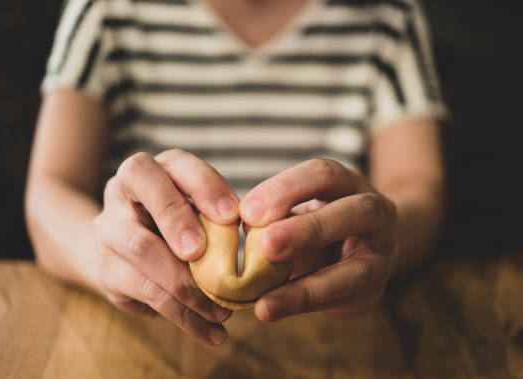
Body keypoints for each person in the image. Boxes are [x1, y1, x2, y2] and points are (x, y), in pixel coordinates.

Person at [25, 0, 447, 346]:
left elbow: (418, 186)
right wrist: (104, 254)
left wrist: (378, 240)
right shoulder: (107, 10)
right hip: (142, 336)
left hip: (339, 335)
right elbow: (50, 189)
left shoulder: (388, 16)